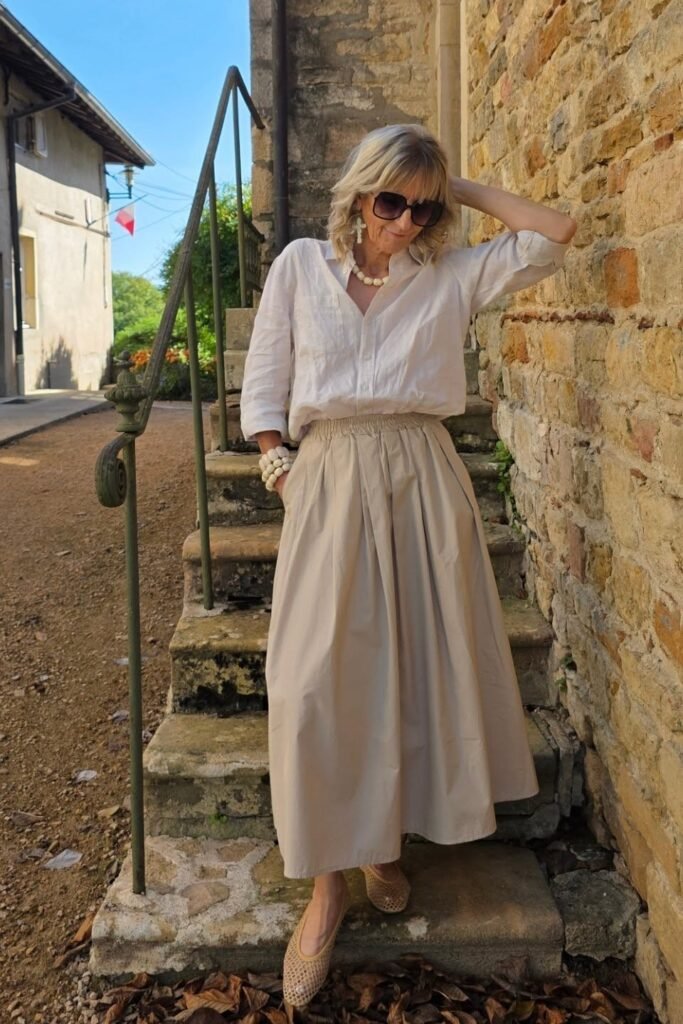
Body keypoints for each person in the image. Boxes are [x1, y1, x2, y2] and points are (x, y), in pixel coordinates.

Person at [240, 122, 576, 1007]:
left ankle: (382, 845)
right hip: (326, 476)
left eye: (421, 210)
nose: (403, 222)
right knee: (312, 682)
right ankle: (326, 888)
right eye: (391, 201)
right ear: (359, 193)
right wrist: (281, 471)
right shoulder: (300, 267)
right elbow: (265, 379)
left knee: (414, 670)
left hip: (422, 477)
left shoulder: (449, 275)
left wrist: (455, 188)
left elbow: (553, 234)